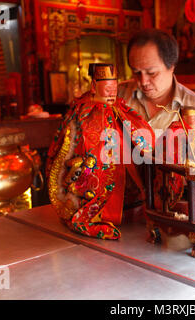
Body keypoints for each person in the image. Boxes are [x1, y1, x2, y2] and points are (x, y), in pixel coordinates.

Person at [46, 63, 154, 240]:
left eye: (114, 88)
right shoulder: (82, 114)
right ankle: (95, 211)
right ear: (95, 86)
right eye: (108, 89)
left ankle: (132, 202)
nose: (112, 93)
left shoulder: (121, 109)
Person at [117, 28, 195, 133]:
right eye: (136, 72)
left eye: (152, 73)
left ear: (171, 66)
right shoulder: (117, 95)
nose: (143, 82)